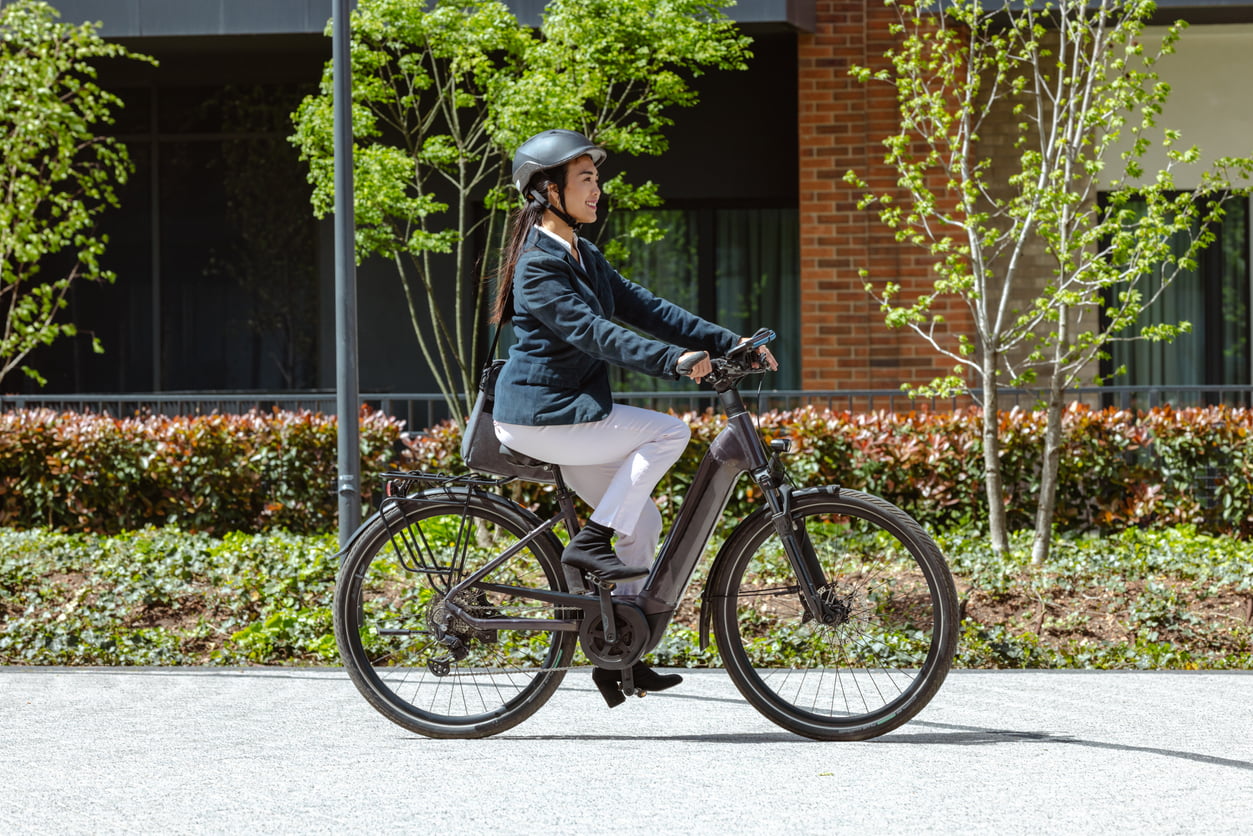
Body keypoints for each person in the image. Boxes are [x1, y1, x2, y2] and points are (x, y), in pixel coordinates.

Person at [489, 128, 777, 707]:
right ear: (549, 190)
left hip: (571, 414)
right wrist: (672, 361)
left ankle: (619, 650)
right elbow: (594, 334)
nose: (599, 189)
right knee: (670, 431)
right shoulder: (537, 267)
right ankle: (590, 540)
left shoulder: (578, 252)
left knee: (641, 525)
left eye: (597, 178)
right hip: (541, 417)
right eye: (586, 179)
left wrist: (730, 343)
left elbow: (646, 307)